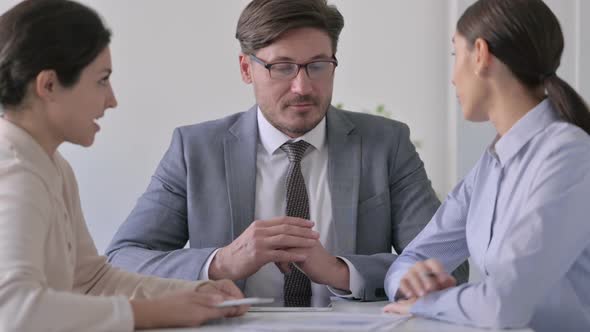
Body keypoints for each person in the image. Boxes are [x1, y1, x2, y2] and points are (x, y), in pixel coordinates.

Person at [106, 0, 468, 307]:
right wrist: (221, 263)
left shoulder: (385, 143)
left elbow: (448, 265)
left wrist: (341, 271)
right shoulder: (195, 150)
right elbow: (120, 262)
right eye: (281, 67)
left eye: (318, 65)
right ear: (247, 69)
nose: (302, 86)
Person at [0, 1, 247, 331]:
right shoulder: (16, 172)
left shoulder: (53, 166)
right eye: (102, 80)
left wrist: (195, 293)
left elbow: (91, 280)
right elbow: (13, 312)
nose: (112, 99)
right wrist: (156, 313)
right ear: (48, 85)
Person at [383, 0, 590, 331]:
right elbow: (410, 259)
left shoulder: (568, 155)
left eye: (455, 56)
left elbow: (504, 304)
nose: (452, 79)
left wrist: (429, 303)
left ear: (480, 54)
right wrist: (413, 282)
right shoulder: (489, 167)